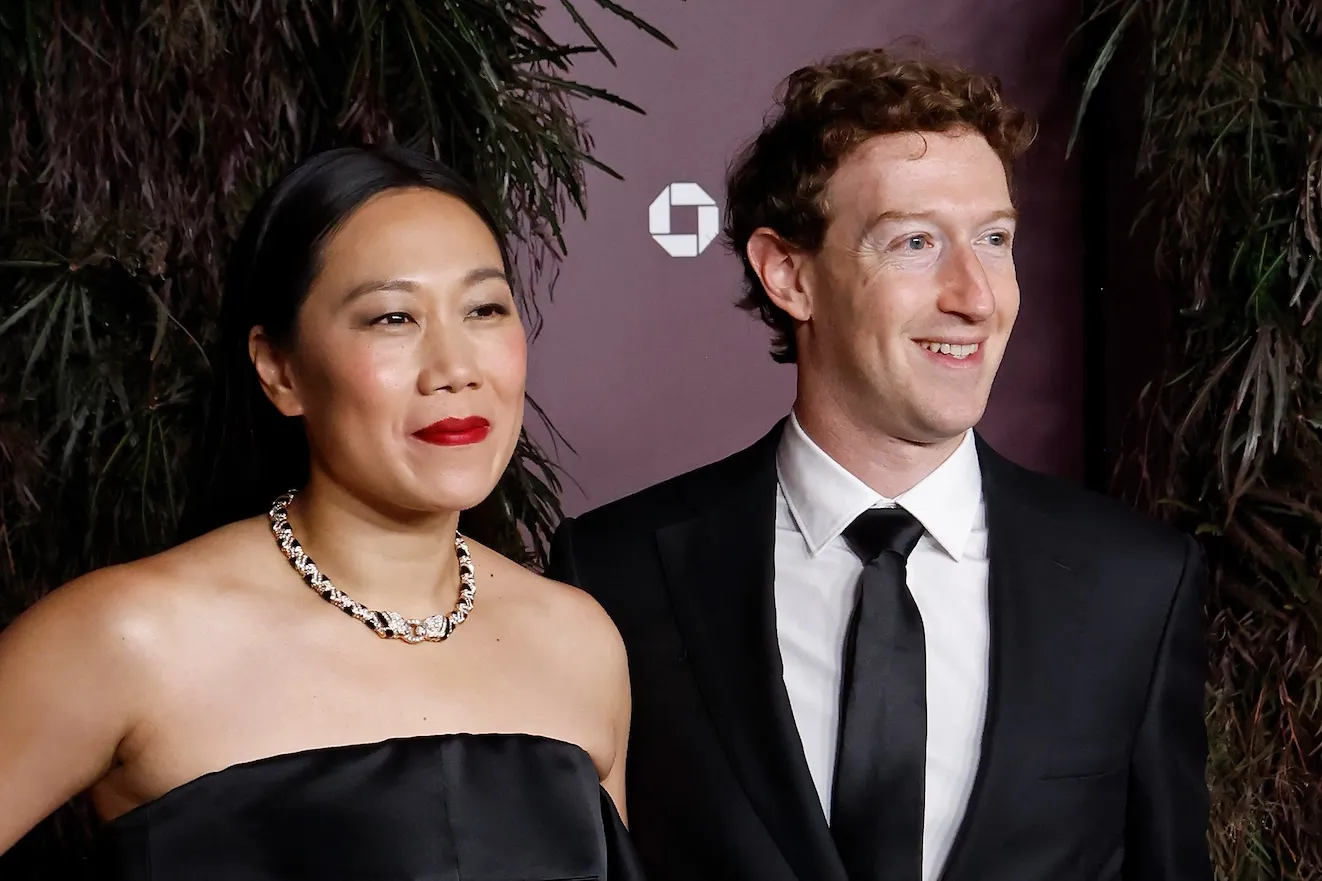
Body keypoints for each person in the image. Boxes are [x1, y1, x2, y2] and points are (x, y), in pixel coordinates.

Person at [547, 48, 1212, 881]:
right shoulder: (616, 575)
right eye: (915, 242)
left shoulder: (1136, 584)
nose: (976, 295)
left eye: (994, 239)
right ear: (789, 274)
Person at [0, 145, 640, 880]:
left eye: (484, 309)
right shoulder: (130, 637)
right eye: (393, 317)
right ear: (279, 369)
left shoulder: (577, 643)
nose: (455, 369)